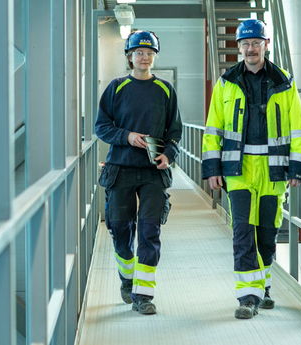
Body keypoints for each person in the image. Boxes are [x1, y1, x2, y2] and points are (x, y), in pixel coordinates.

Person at [202, 19, 301, 319]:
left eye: (256, 43)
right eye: (245, 44)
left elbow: (298, 129)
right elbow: (213, 130)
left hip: (273, 172)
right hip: (238, 169)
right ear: (238, 48)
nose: (251, 49)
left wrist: (297, 168)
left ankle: (263, 286)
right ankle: (248, 297)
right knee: (242, 233)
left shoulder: (283, 82)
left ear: (266, 45)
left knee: (266, 234)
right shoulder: (226, 83)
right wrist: (213, 168)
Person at [95, 30, 182, 315]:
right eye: (139, 53)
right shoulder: (117, 87)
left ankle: (143, 294)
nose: (144, 57)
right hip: (120, 167)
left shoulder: (166, 90)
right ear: (129, 56)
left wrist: (168, 155)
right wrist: (127, 136)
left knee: (149, 230)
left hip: (152, 173)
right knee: (119, 228)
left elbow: (175, 132)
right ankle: (127, 277)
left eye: (149, 53)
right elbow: (101, 127)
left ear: (154, 56)